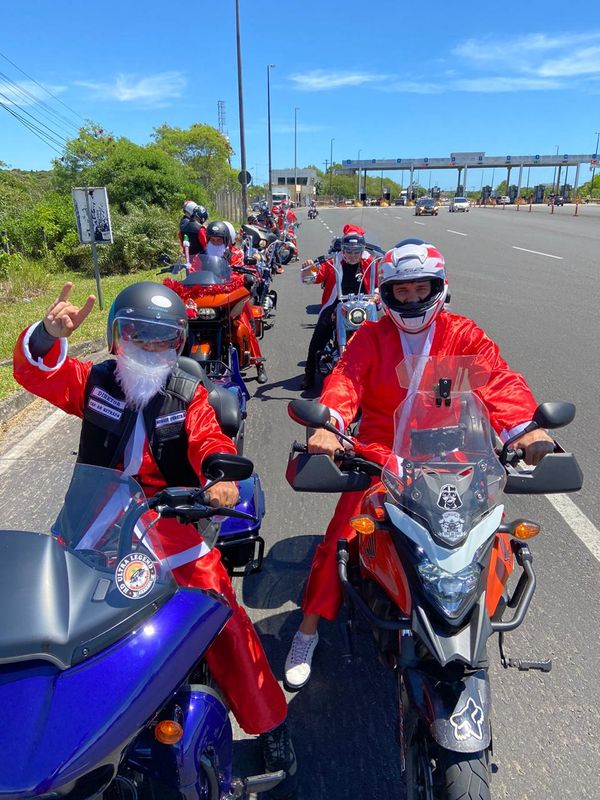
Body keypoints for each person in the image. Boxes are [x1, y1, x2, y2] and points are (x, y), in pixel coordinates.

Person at [13, 281, 296, 798]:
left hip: (171, 522)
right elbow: (35, 373)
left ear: (178, 343)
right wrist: (47, 336)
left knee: (220, 610)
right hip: (93, 518)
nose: (150, 348)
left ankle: (269, 722)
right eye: (138, 336)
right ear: (117, 337)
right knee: (40, 609)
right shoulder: (95, 380)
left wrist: (218, 475)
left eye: (162, 340)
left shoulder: (188, 397)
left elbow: (210, 438)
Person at [284, 240, 555, 690]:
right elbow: (344, 382)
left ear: (439, 287)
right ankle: (307, 631)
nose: (410, 299)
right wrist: (329, 426)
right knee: (341, 538)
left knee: (489, 536)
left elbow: (498, 380)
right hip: (379, 455)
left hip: (452, 457)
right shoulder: (369, 337)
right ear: (385, 294)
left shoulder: (462, 334)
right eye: (401, 291)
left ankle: (474, 618)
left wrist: (525, 429)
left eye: (419, 289)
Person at [299, 224, 376, 390]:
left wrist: (375, 296)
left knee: (383, 333)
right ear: (342, 249)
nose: (353, 255)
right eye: (349, 251)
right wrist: (308, 269)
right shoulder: (332, 261)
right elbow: (314, 277)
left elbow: (382, 282)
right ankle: (309, 374)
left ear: (362, 249)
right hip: (336, 304)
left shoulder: (371, 261)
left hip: (365, 304)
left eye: (357, 251)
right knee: (319, 333)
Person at [194, 222, 268, 384]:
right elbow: (193, 273)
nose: (215, 243)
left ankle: (258, 363)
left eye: (219, 240)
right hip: (206, 299)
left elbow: (239, 273)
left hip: (229, 296)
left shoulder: (235, 254)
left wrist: (243, 276)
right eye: (212, 239)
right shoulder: (200, 257)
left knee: (245, 325)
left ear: (226, 240)